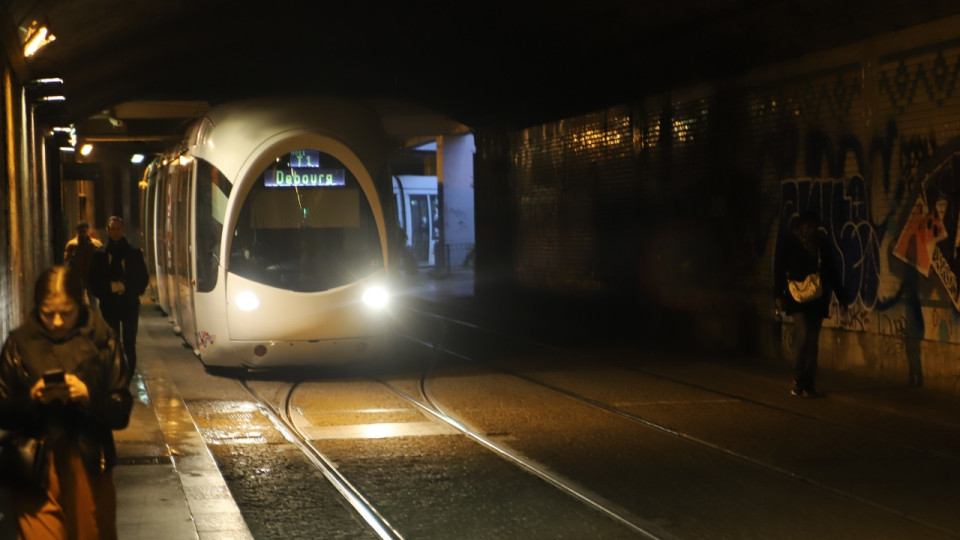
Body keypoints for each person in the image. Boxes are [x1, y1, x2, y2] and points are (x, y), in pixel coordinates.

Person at [0, 266, 132, 539]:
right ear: (37, 308)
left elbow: (120, 410)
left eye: (66, 313)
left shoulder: (103, 341)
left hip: (87, 461)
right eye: (49, 313)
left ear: (80, 305)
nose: (58, 321)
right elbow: (3, 409)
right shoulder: (19, 344)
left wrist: (87, 396)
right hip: (34, 466)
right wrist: (32, 399)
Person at [773, 211, 840, 398]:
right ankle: (798, 378)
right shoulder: (789, 243)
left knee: (813, 342)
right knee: (803, 336)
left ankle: (809, 384)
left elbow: (831, 270)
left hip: (817, 298)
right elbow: (779, 270)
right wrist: (778, 295)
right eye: (808, 226)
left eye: (814, 227)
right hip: (797, 299)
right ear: (800, 226)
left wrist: (840, 296)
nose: (811, 230)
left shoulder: (821, 244)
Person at [88, 216, 149, 376]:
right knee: (113, 342)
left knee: (129, 343)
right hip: (110, 305)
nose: (116, 232)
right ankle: (117, 374)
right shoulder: (100, 255)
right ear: (107, 231)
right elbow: (92, 280)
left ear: (123, 230)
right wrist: (105, 292)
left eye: (118, 229)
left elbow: (143, 277)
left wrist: (130, 289)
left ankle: (128, 376)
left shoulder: (133, 253)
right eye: (112, 229)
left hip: (129, 304)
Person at [63, 221, 102, 304]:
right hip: (78, 276)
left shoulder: (95, 244)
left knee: (92, 301)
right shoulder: (72, 245)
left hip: (91, 276)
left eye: (84, 231)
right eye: (80, 231)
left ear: (87, 230)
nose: (82, 233)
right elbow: (67, 260)